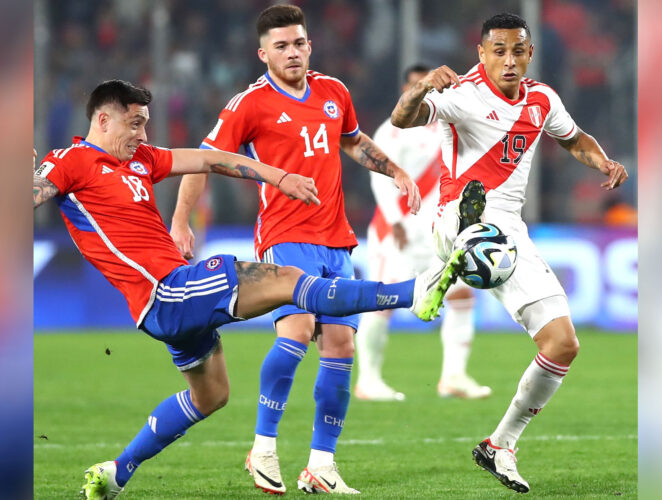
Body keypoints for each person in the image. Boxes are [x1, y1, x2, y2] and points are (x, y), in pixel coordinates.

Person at [33, 79, 453, 500]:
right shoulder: (70, 161)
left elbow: (210, 160)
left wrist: (278, 177)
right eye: (135, 123)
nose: (143, 135)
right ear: (102, 120)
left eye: (145, 124)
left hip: (168, 302)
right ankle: (412, 291)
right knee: (290, 281)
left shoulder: (141, 159)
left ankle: (116, 473)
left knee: (211, 395)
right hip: (166, 290)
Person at [170, 4, 421, 495]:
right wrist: (181, 221)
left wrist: (394, 169)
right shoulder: (250, 103)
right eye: (281, 46)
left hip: (337, 240)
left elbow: (351, 140)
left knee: (341, 345)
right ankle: (263, 448)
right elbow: (204, 160)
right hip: (285, 237)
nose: (292, 52)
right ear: (262, 53)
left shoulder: (334, 92)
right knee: (298, 329)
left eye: (299, 43)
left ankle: (321, 465)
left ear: (310, 45)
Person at [390, 13, 628, 494]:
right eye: (498, 50)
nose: (509, 60)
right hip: (455, 215)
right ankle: (460, 254)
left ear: (530, 54)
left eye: (517, 50)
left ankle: (500, 443)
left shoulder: (542, 99)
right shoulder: (462, 93)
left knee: (563, 344)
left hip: (511, 229)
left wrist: (601, 159)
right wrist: (420, 90)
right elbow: (401, 119)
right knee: (481, 234)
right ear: (482, 54)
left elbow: (573, 138)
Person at [355, 64, 491, 402]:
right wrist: (394, 221)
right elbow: (378, 175)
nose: (422, 90)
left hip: (437, 230)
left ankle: (454, 376)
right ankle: (368, 380)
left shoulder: (445, 124)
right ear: (406, 89)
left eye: (427, 85)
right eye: (415, 85)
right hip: (397, 229)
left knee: (461, 295)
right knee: (381, 302)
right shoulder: (391, 130)